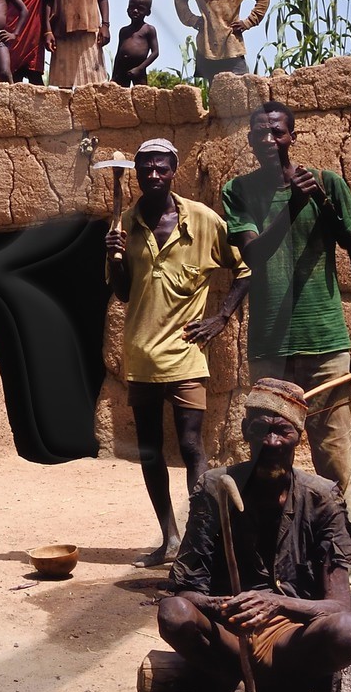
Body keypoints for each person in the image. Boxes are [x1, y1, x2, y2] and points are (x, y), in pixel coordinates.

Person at [222, 101, 351, 615]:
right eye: (259, 133)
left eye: (278, 132)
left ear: (292, 136)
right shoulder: (239, 192)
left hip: (326, 343)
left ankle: (342, 564)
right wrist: (291, 203)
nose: (269, 140)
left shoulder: (328, 185)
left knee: (335, 461)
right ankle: (270, 560)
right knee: (268, 457)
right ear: (249, 139)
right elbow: (256, 256)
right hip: (269, 347)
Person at [157, 378, 351, 692]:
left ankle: (284, 685)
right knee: (173, 614)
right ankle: (238, 682)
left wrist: (276, 604)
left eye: (281, 432)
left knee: (348, 632)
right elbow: (185, 592)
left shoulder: (322, 499)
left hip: (291, 637)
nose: (270, 442)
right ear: (245, 432)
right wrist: (223, 605)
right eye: (260, 430)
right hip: (228, 631)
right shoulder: (214, 488)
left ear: (298, 436)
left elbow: (338, 608)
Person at [105, 138, 250, 567]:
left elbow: (245, 268)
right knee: (150, 450)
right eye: (145, 167)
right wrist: (113, 261)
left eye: (161, 167)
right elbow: (124, 294)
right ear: (136, 172)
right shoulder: (124, 225)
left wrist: (221, 317)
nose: (153, 174)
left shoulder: (203, 221)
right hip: (142, 357)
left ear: (174, 170)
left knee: (191, 447)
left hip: (186, 356)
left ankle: (199, 540)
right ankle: (169, 538)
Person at [111, 0, 161, 88]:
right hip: (122, 69)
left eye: (140, 8)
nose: (135, 11)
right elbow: (118, 55)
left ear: (148, 12)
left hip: (139, 69)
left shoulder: (149, 30)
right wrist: (114, 76)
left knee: (142, 96)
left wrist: (139, 68)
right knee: (119, 96)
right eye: (132, 7)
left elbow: (155, 53)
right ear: (127, 9)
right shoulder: (124, 31)